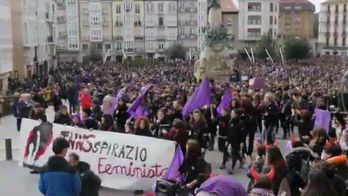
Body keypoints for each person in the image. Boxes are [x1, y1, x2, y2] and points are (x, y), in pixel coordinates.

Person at [227, 109, 244, 174]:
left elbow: (242, 133)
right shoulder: (231, 121)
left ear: (236, 114)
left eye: (232, 113)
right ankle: (241, 160)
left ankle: (232, 167)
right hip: (231, 139)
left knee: (234, 153)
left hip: (237, 140)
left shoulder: (240, 122)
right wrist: (227, 140)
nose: (231, 114)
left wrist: (242, 142)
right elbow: (229, 131)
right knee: (235, 152)